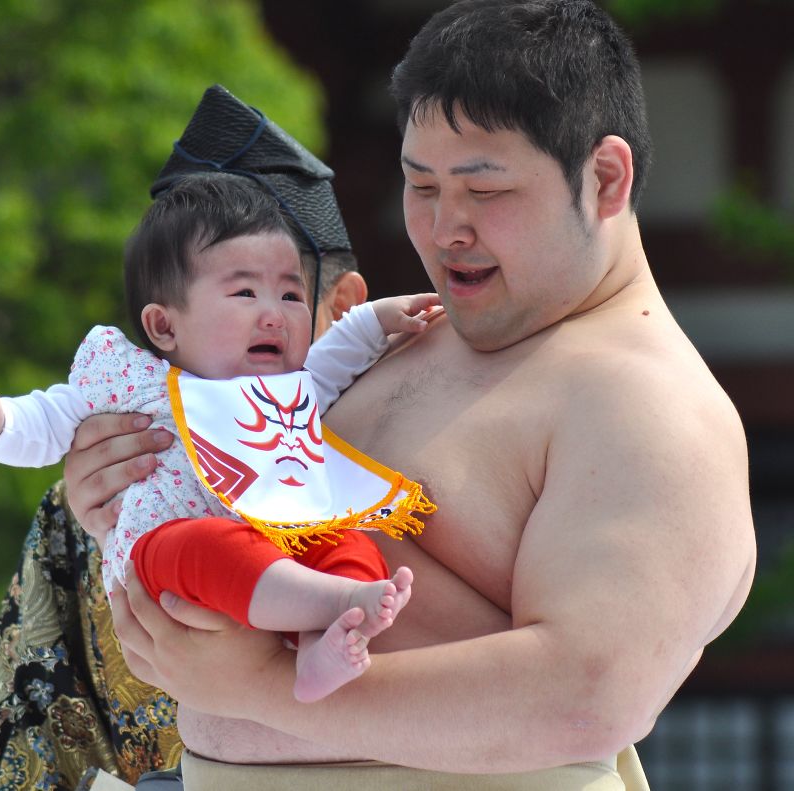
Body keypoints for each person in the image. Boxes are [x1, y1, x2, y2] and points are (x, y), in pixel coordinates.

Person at [69, 1, 756, 788]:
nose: (444, 227)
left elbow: (585, 694)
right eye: (420, 185)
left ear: (603, 178)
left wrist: (258, 690)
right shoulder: (396, 336)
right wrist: (122, 501)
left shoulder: (650, 406)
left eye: (484, 189)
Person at [0, 88, 388, 789]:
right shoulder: (116, 471)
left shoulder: (404, 448)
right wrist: (104, 528)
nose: (263, 320)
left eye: (282, 294)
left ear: (340, 307)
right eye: (230, 294)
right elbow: (20, 752)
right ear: (165, 324)